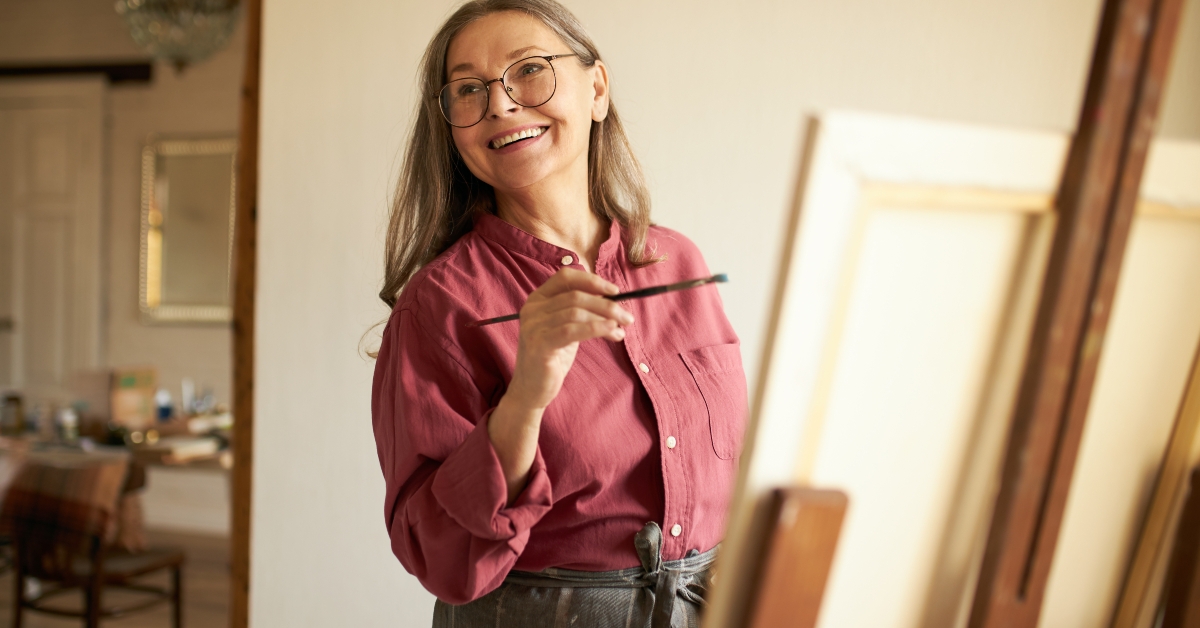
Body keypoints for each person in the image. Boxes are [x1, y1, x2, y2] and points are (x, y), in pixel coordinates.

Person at [370, 1, 747, 625]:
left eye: (529, 70)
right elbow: (434, 550)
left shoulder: (678, 261)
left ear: (596, 88)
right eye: (469, 89)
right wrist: (525, 397)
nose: (500, 104)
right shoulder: (437, 307)